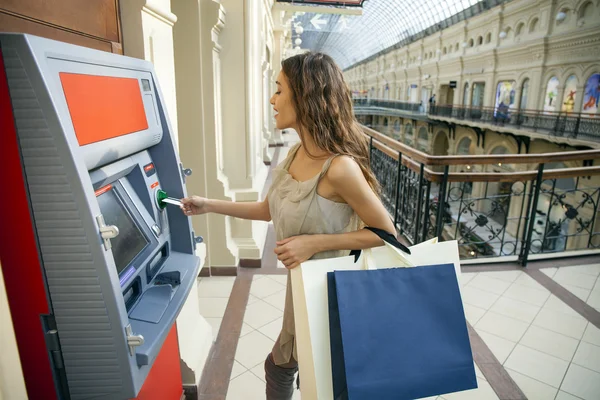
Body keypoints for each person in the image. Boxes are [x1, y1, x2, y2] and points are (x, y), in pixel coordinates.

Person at [180, 52, 396, 400]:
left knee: (309, 379)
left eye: (279, 90)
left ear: (305, 94)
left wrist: (314, 244)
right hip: (302, 292)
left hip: (333, 298)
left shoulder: (339, 168)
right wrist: (208, 205)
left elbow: (388, 235)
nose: (271, 99)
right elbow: (268, 209)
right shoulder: (296, 154)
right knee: (283, 368)